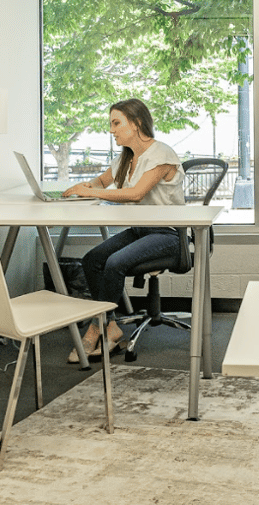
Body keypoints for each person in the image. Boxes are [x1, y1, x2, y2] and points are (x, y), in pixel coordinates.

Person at [62, 98, 184, 363]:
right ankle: (111, 327)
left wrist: (92, 192)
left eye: (117, 123)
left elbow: (136, 193)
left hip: (168, 234)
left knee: (114, 263)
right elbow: (102, 181)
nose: (111, 130)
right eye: (111, 124)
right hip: (141, 231)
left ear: (137, 123)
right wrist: (85, 187)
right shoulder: (125, 158)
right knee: (92, 259)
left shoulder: (161, 154)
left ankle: (97, 326)